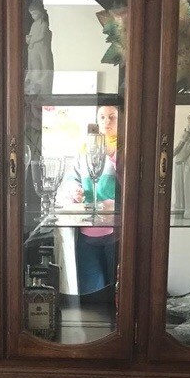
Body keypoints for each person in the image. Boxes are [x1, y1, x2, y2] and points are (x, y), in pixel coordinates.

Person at [67, 105, 120, 295]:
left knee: (117, 287)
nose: (107, 122)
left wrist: (114, 154)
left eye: (112, 117)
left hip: (116, 230)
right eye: (103, 117)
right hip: (87, 229)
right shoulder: (84, 148)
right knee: (92, 290)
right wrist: (75, 191)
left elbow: (132, 182)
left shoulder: (125, 148)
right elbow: (72, 178)